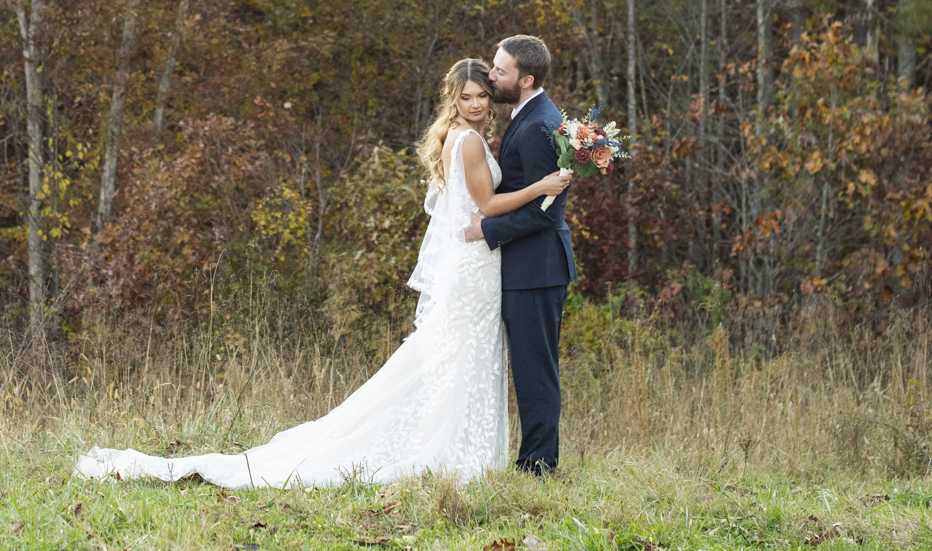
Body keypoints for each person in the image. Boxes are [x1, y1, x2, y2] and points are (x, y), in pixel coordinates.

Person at [75, 57, 573, 488]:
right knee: (458, 357)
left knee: (461, 357)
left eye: (484, 95)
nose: (478, 104)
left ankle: (465, 451)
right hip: (474, 268)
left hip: (479, 264)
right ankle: (449, 453)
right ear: (453, 99)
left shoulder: (465, 138)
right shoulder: (466, 142)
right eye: (467, 97)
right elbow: (486, 204)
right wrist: (542, 186)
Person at [462, 34, 575, 475]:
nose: (491, 76)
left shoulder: (540, 126)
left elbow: (546, 213)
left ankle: (538, 466)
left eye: (500, 71)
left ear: (525, 80)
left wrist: (486, 228)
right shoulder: (526, 116)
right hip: (527, 267)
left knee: (535, 371)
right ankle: (533, 460)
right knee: (529, 369)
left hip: (538, 268)